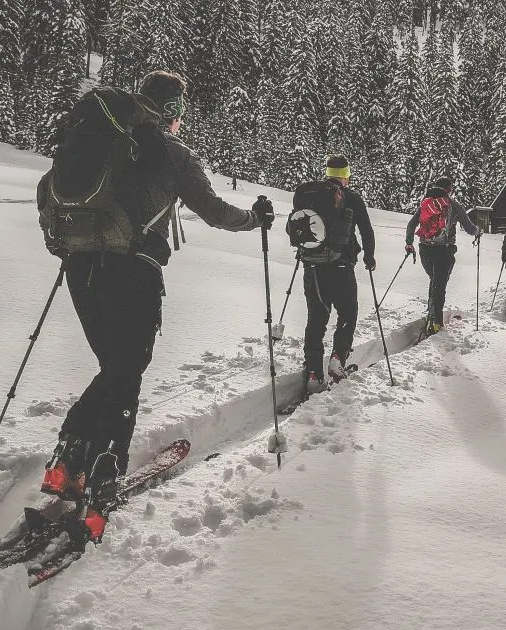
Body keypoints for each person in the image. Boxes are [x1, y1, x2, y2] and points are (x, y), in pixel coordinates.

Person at [37, 70, 274, 536]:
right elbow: (213, 210)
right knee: (127, 371)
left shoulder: (99, 139)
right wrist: (254, 219)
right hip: (133, 270)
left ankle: (67, 460)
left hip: (80, 268)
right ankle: (104, 474)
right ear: (172, 111)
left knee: (114, 366)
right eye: (180, 110)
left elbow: (49, 191)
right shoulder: (170, 152)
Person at [301, 154, 376, 392]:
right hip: (342, 267)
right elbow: (367, 231)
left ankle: (313, 373)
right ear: (345, 175)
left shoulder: (307, 194)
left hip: (312, 267)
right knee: (347, 314)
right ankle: (337, 358)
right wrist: (369, 257)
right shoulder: (352, 198)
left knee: (316, 319)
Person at [404, 176, 481, 334]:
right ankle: (436, 322)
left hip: (425, 249)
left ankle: (432, 313)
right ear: (449, 189)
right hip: (444, 251)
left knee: (434, 281)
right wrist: (478, 231)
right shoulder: (453, 205)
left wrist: (409, 242)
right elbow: (469, 228)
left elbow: (412, 224)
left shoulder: (425, 204)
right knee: (440, 285)